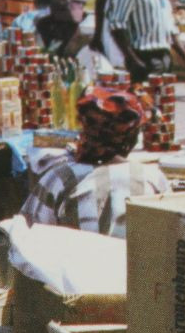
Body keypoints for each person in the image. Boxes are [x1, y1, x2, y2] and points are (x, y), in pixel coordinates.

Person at [19, 86, 170, 238]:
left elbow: (25, 238)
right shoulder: (154, 179)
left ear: (85, 130)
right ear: (132, 138)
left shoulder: (60, 178)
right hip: (138, 262)